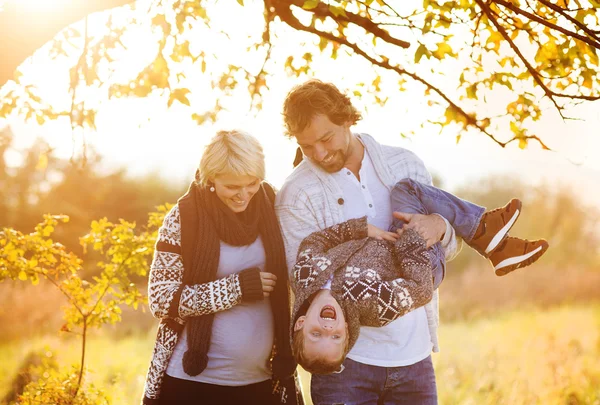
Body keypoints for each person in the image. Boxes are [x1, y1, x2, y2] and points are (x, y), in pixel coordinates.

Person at [273, 78, 495, 404]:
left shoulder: (404, 164)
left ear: (347, 119)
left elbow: (444, 252)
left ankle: (491, 233)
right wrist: (398, 285)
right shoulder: (296, 194)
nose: (319, 153)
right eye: (307, 146)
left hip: (414, 358)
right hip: (343, 368)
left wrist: (442, 228)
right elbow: (306, 280)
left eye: (326, 138)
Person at [290, 179, 549, 374]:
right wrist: (413, 239)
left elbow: (315, 241)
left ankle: (493, 242)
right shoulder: (369, 306)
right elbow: (421, 289)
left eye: (316, 334)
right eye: (335, 337)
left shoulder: (304, 276)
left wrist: (360, 229)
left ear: (301, 322)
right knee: (407, 191)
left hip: (396, 241)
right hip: (421, 263)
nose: (327, 329)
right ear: (346, 331)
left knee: (406, 191)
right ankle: (484, 231)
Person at [141, 130, 300, 405]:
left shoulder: (272, 204)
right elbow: (161, 299)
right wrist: (234, 288)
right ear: (211, 179)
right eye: (232, 187)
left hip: (264, 382)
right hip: (192, 384)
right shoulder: (184, 217)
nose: (244, 194)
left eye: (252, 183)